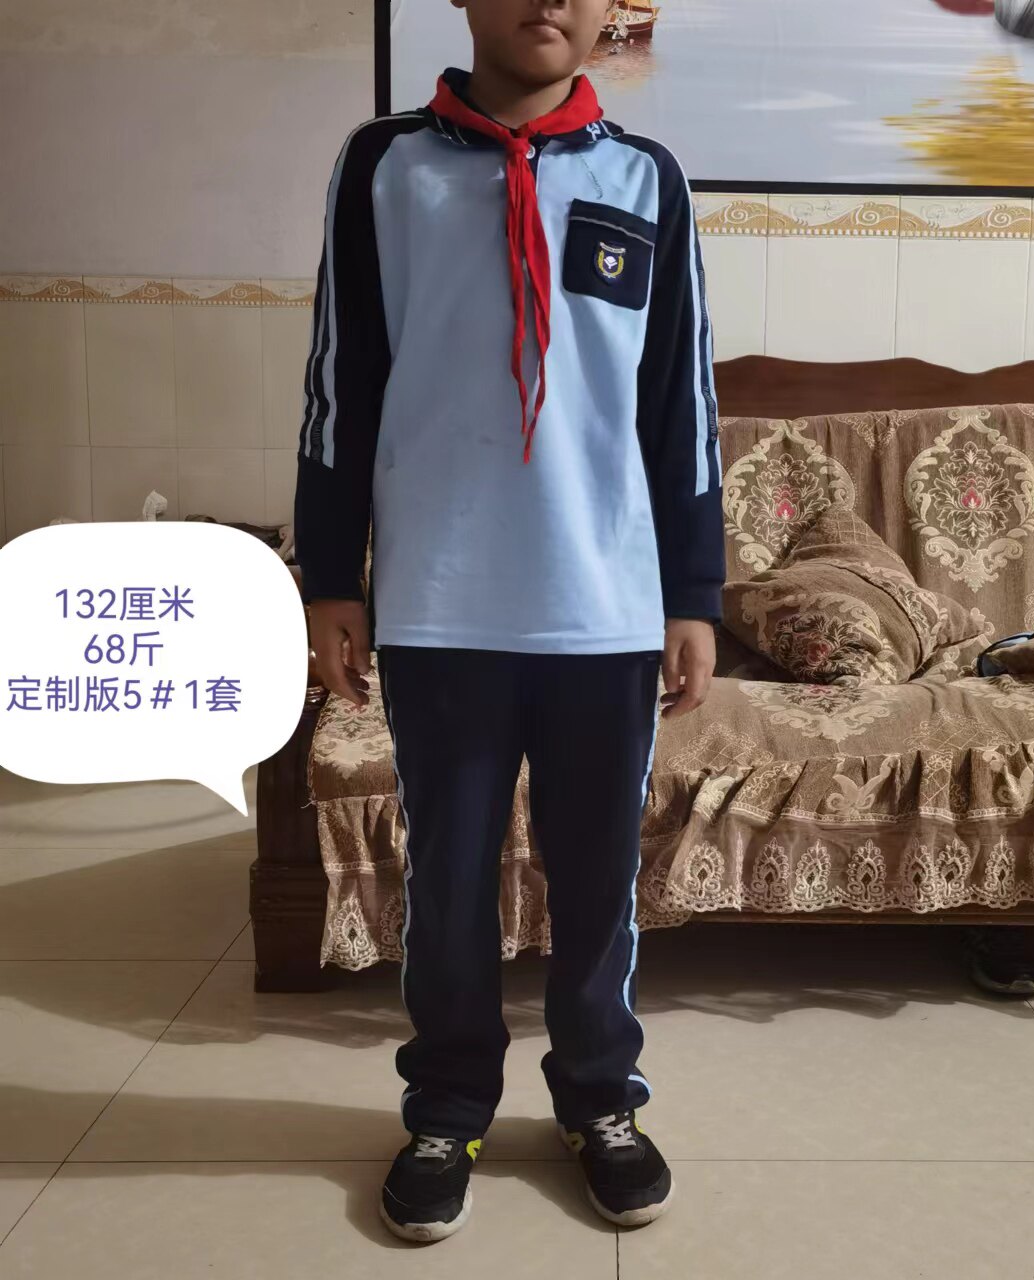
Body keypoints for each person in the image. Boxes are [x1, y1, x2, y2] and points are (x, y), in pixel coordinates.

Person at [292, 0, 723, 1245]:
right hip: (441, 599)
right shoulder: (385, 165)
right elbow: (341, 377)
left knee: (596, 877)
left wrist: (690, 590)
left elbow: (678, 394)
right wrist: (331, 574)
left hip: (603, 604)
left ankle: (598, 1095)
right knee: (447, 872)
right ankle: (446, 1105)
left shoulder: (644, 178)